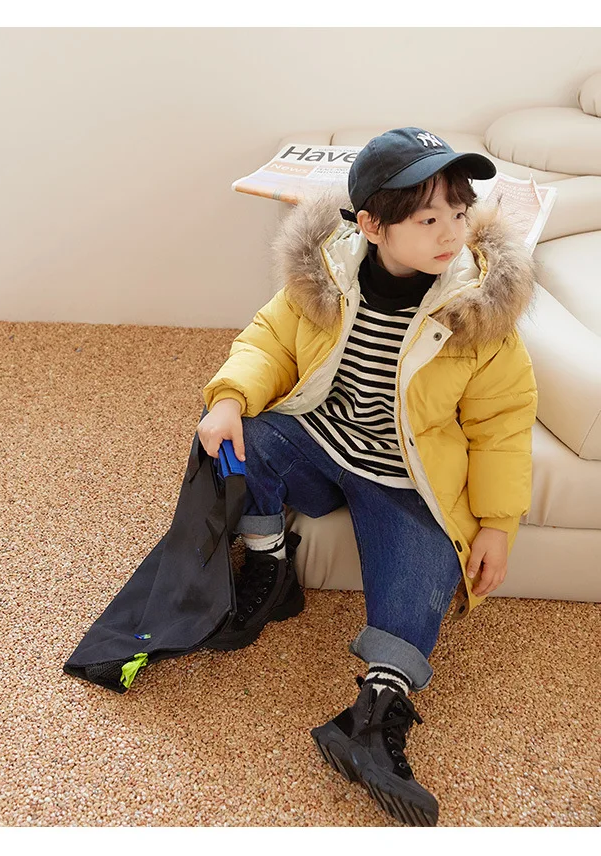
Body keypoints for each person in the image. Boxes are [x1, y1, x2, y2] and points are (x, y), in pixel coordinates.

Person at [197, 127, 538, 826]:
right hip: (322, 441)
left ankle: (373, 719)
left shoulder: (476, 309)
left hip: (406, 479)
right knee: (237, 437)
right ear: (372, 226)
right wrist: (228, 398)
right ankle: (271, 568)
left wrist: (497, 525)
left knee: (426, 572)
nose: (452, 233)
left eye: (459, 212)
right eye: (428, 219)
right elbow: (267, 342)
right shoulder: (326, 275)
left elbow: (502, 426)